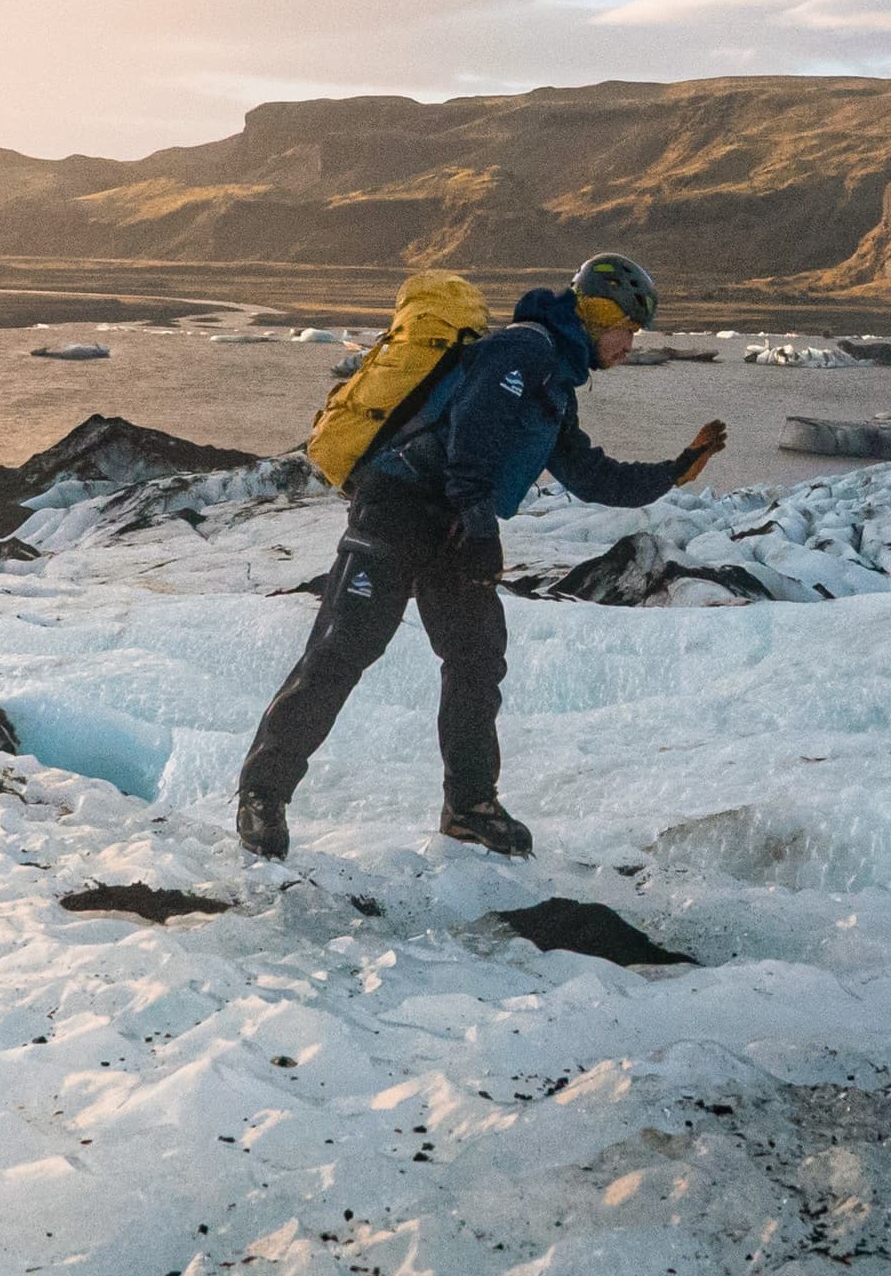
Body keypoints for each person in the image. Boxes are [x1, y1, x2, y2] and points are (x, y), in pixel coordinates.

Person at [236, 253, 727, 860]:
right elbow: (474, 424)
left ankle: (470, 807)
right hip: (399, 504)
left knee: (474, 658)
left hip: (452, 523)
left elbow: (588, 474)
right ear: (600, 313)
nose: (631, 344)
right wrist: (476, 517)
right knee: (344, 649)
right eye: (628, 328)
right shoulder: (526, 350)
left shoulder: (556, 385)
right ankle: (262, 795)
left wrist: (674, 472)